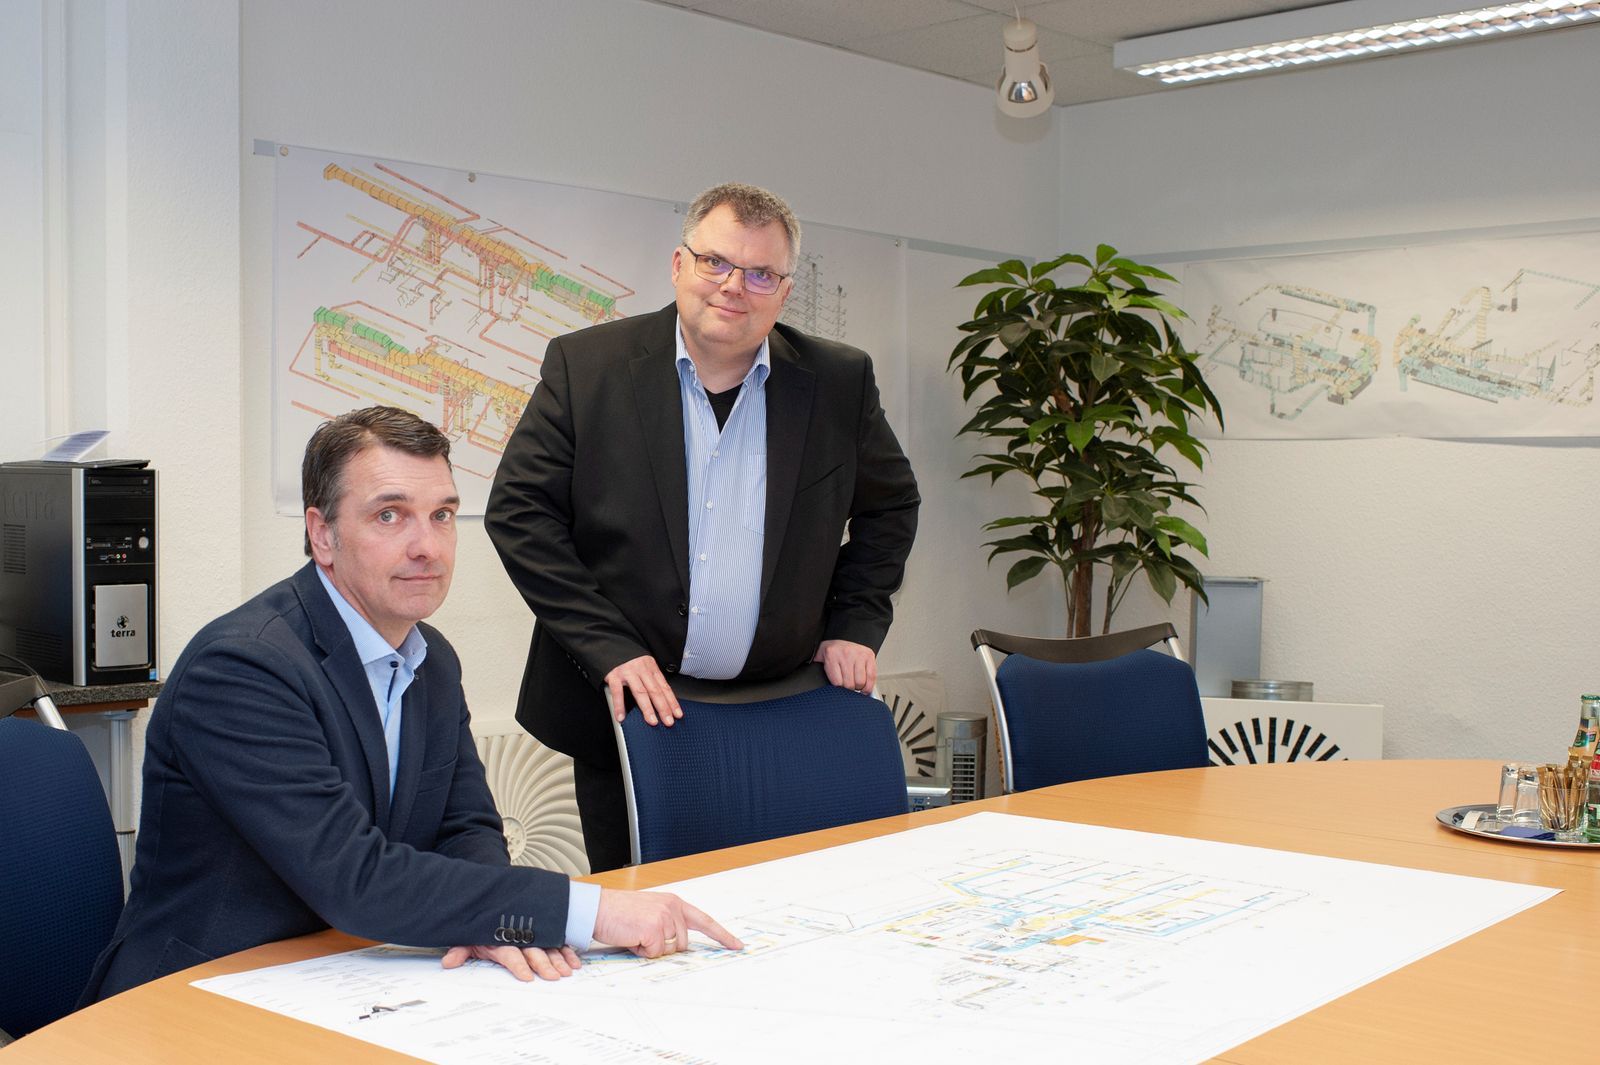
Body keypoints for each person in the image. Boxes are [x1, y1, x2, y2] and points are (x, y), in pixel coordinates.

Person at [82, 406, 739, 1004]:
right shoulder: (243, 668)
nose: (427, 546)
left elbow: (467, 828)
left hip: (348, 973)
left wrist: (489, 920)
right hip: (199, 990)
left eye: (442, 515)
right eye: (389, 515)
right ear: (322, 534)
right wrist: (592, 911)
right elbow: (354, 878)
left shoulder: (431, 658)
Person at [486, 182, 920, 872]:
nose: (733, 287)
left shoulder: (839, 382)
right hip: (629, 710)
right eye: (715, 262)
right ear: (678, 265)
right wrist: (608, 648)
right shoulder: (588, 366)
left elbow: (890, 506)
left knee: (782, 898)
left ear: (784, 291)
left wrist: (855, 621)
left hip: (780, 710)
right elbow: (519, 511)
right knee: (641, 911)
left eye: (760, 273)